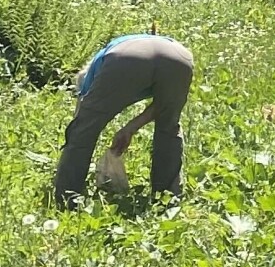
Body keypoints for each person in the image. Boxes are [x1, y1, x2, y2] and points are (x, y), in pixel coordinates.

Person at [56, 33, 195, 200]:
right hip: (180, 57)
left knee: (83, 131)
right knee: (169, 126)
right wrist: (130, 128)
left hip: (126, 59)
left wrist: (73, 142)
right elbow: (163, 107)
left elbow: (81, 118)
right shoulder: (122, 46)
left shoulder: (88, 77)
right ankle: (167, 197)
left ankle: (67, 196)